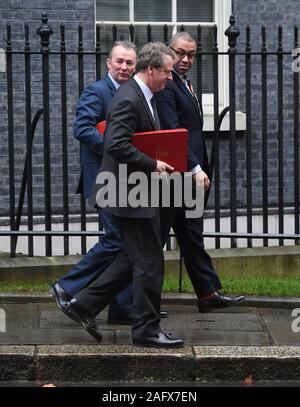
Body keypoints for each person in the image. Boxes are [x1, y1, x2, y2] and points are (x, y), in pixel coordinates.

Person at [62, 42, 184, 348]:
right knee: (149, 261)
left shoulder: (144, 96)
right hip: (129, 193)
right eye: (167, 72)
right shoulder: (129, 98)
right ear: (153, 69)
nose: (170, 78)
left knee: (131, 257)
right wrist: (152, 163)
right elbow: (115, 144)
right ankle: (146, 330)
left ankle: (83, 304)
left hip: (133, 191)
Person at [155, 32, 245, 312]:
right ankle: (127, 300)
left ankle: (207, 295)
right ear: (169, 51)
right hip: (177, 174)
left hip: (191, 174)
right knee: (154, 238)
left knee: (191, 234)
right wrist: (194, 167)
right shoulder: (167, 85)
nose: (185, 59)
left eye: (191, 54)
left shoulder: (185, 83)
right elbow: (173, 131)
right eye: (180, 53)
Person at [51, 42, 139, 325]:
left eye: (129, 63)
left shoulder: (133, 92)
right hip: (103, 177)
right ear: (108, 63)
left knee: (128, 241)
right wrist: (115, 148)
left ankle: (122, 307)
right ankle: (66, 286)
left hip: (128, 180)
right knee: (116, 239)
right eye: (120, 62)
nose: (124, 67)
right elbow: (83, 128)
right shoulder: (97, 91)